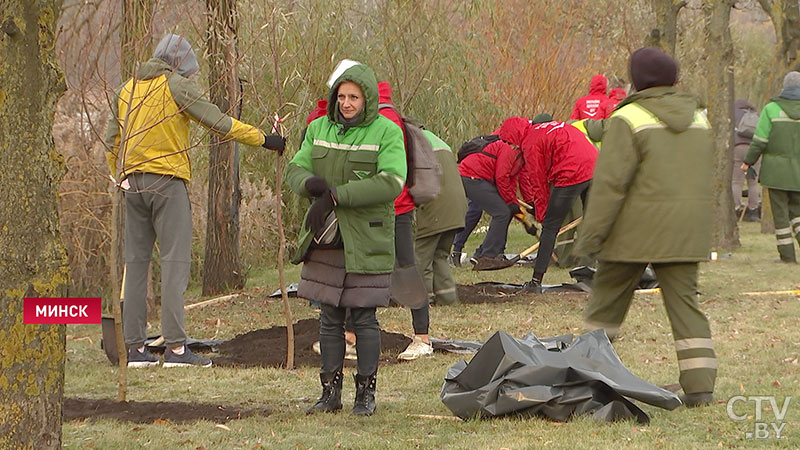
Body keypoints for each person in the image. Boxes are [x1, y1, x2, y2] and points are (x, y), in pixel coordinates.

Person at [103, 34, 284, 369]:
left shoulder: (126, 89)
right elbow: (218, 122)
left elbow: (112, 138)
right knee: (175, 263)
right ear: (178, 65)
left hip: (131, 186)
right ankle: (175, 349)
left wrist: (121, 174)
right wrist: (263, 139)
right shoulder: (175, 86)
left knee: (136, 262)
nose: (188, 77)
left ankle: (134, 350)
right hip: (167, 184)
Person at [575, 47, 717, 407]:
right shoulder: (700, 118)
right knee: (686, 307)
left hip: (633, 230)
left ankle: (586, 377)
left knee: (607, 302)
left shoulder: (629, 118)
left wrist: (590, 238)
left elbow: (610, 184)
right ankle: (700, 388)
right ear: (675, 79)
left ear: (636, 80)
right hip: (686, 229)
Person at [287, 62, 406, 416]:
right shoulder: (319, 128)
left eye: (354, 96)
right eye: (341, 96)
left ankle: (365, 395)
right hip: (326, 239)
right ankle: (330, 394)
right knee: (329, 317)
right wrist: (311, 185)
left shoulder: (386, 132)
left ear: (367, 98)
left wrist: (338, 195)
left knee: (364, 318)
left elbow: (392, 182)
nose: (347, 103)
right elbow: (296, 167)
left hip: (365, 239)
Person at [497, 117, 597, 290]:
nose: (512, 147)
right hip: (595, 165)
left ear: (515, 134)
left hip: (571, 170)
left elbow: (538, 181)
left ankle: (536, 281)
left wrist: (542, 214)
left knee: (550, 227)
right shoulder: (544, 129)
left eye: (510, 142)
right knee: (593, 221)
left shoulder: (530, 143)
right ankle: (597, 272)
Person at [376, 81, 433, 361]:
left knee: (404, 269)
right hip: (395, 206)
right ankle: (353, 333)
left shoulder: (383, 121)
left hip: (393, 208)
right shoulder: (393, 116)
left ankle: (422, 337)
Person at [742, 72, 800, 263]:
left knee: (781, 216)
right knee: (798, 213)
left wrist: (748, 161)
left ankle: (787, 256)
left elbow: (759, 141)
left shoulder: (771, 109)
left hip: (776, 173)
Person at [457, 126, 533, 270]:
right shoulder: (510, 149)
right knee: (502, 212)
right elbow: (501, 176)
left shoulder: (520, 156)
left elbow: (512, 182)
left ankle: (483, 254)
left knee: (507, 210)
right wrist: (511, 204)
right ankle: (487, 256)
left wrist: (525, 214)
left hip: (480, 179)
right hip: (471, 177)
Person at [414, 130, 468, 305]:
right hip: (456, 206)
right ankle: (448, 299)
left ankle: (422, 301)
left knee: (420, 256)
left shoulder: (408, 140)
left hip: (434, 206)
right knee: (440, 255)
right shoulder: (437, 140)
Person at [732, 99, 761, 221]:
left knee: (736, 181)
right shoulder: (756, 115)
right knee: (753, 181)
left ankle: (735, 209)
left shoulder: (732, 113)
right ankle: (753, 211)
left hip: (738, 147)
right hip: (755, 148)